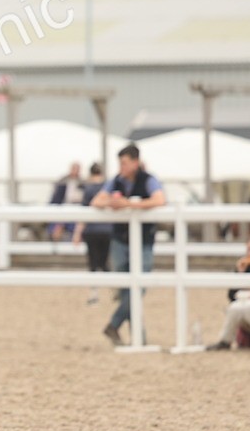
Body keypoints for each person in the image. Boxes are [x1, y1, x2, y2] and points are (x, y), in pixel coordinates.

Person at [92, 144, 166, 346]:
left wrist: (129, 205)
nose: (121, 167)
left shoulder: (148, 180)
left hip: (143, 240)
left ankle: (114, 324)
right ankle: (138, 338)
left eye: (124, 162)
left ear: (135, 162)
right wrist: (114, 203)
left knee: (138, 286)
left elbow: (160, 200)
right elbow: (96, 201)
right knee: (128, 289)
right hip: (120, 241)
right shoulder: (116, 181)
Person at [72, 162, 112, 304]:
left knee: (93, 263)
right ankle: (114, 289)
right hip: (107, 230)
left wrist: (77, 233)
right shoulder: (108, 187)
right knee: (105, 262)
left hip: (91, 230)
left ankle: (94, 294)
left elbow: (83, 213)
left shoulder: (88, 189)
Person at [207, 271, 250, 351]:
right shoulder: (247, 266)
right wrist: (240, 271)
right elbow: (231, 295)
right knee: (235, 307)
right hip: (249, 304)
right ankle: (225, 341)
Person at [48, 162, 82, 241]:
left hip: (76, 211)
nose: (76, 172)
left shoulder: (82, 182)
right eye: (74, 169)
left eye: (77, 170)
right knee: (57, 224)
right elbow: (55, 200)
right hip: (62, 209)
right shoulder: (63, 182)